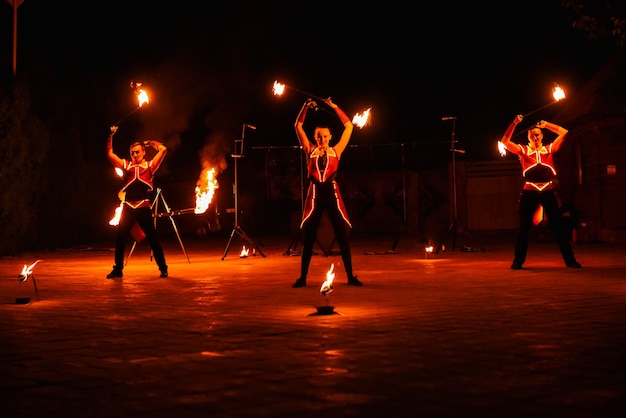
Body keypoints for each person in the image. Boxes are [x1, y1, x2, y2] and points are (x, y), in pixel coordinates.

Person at [291, 97, 363, 288]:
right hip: (315, 194)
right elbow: (298, 126)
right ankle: (303, 278)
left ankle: (350, 277)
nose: (322, 140)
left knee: (341, 235)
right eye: (319, 137)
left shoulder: (336, 151)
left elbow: (349, 126)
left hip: (331, 193)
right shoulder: (309, 150)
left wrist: (335, 107)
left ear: (330, 137)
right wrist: (305, 106)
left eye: (325, 136)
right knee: (309, 237)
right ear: (315, 138)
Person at [500, 115, 582, 269]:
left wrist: (547, 124)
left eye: (537, 134)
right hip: (529, 191)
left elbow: (565, 132)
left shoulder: (550, 149)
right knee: (523, 228)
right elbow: (504, 142)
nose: (535, 137)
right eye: (532, 136)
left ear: (542, 136)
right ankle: (517, 262)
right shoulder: (523, 151)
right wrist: (514, 122)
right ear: (528, 138)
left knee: (558, 228)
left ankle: (570, 261)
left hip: (547, 190)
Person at [106, 125, 169, 278]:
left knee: (153, 238)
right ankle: (118, 269)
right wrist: (111, 135)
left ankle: (163, 268)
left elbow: (163, 150)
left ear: (143, 152)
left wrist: (151, 142)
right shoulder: (126, 165)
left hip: (143, 206)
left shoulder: (149, 167)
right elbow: (109, 154)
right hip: (128, 206)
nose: (134, 155)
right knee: (120, 238)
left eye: (137, 152)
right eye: (132, 152)